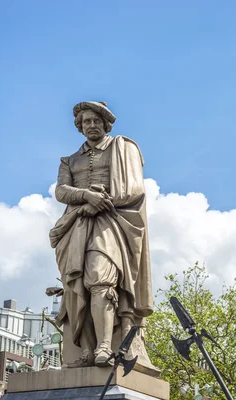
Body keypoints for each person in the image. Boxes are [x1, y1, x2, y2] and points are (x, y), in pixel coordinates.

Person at [49, 101, 153, 368]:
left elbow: (135, 189)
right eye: (86, 122)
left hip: (111, 221)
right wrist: (86, 197)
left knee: (100, 279)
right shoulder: (70, 160)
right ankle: (86, 348)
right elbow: (61, 191)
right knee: (78, 286)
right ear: (80, 127)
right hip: (76, 225)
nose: (91, 126)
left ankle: (105, 347)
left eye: (96, 121)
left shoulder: (122, 148)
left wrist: (103, 200)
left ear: (106, 124)